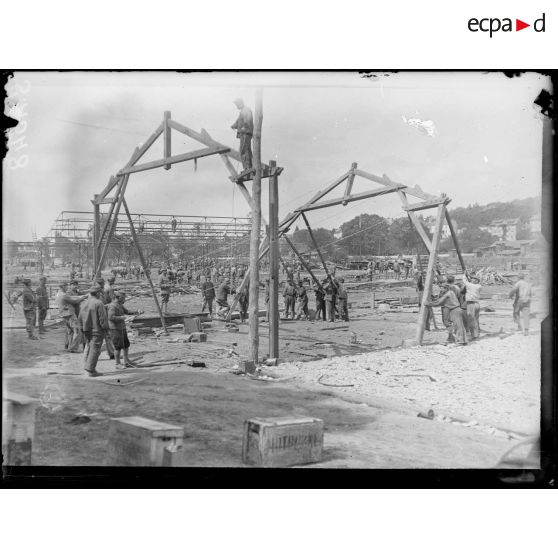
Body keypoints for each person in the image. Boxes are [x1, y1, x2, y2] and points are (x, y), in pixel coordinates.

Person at [79, 286, 109, 377]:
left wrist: (82, 329)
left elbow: (80, 318)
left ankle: (88, 367)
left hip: (86, 330)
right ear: (98, 293)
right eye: (100, 293)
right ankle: (90, 370)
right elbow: (103, 319)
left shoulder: (84, 303)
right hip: (97, 330)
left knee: (90, 348)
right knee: (95, 350)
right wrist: (106, 330)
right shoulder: (99, 303)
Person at [108, 291, 142, 370]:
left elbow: (127, 312)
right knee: (118, 347)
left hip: (122, 328)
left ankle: (126, 361)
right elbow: (111, 317)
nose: (124, 299)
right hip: (115, 329)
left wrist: (137, 311)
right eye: (123, 298)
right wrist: (121, 318)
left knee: (126, 345)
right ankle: (117, 364)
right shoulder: (113, 306)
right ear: (118, 298)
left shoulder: (120, 305)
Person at [55, 281, 87, 352]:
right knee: (77, 331)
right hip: (69, 314)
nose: (67, 287)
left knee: (70, 331)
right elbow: (74, 300)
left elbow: (72, 297)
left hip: (64, 314)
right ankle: (73, 348)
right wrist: (82, 298)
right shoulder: (64, 295)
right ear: (63, 286)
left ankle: (70, 347)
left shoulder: (59, 294)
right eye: (66, 286)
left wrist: (81, 296)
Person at [231, 97, 254, 171]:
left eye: (237, 104)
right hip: (244, 133)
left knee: (244, 150)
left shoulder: (246, 110)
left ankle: (247, 167)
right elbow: (238, 121)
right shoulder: (242, 112)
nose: (236, 106)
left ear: (240, 103)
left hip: (245, 133)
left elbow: (248, 119)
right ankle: (248, 166)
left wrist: (244, 127)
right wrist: (234, 125)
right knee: (245, 149)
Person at [462, 271, 482, 341]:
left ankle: (474, 335)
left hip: (471, 304)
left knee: (471, 320)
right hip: (477, 304)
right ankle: (476, 334)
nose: (472, 279)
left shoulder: (470, 285)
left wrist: (464, 275)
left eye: (473, 279)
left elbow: (464, 281)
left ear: (476, 280)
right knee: (475, 320)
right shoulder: (479, 286)